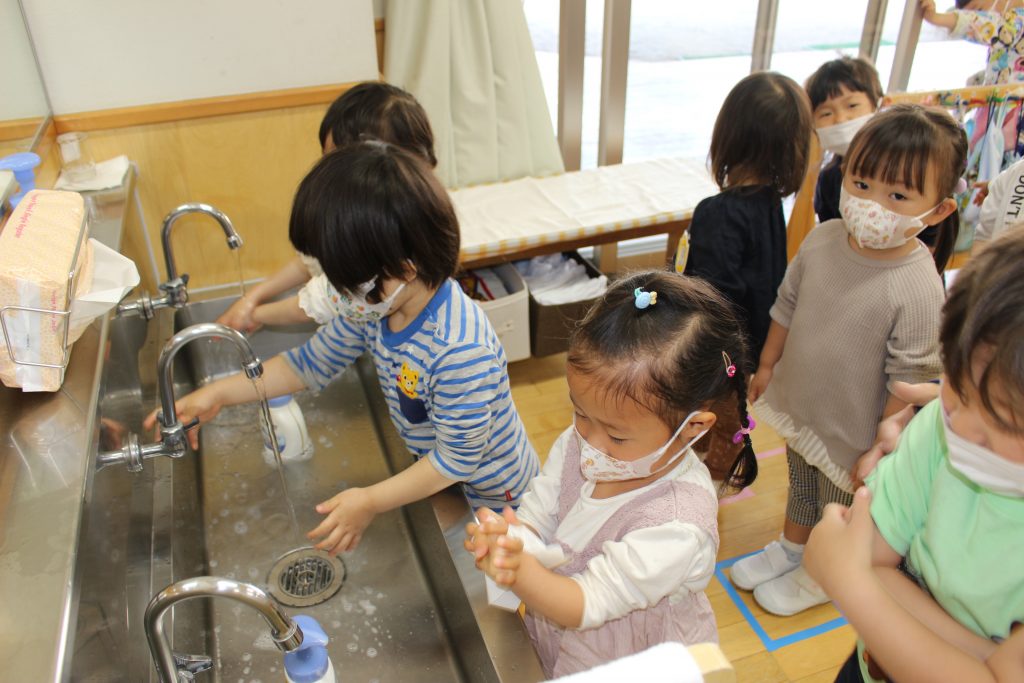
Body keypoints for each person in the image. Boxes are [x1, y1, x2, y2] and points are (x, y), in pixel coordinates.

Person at [146, 141, 539, 554]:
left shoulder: (458, 350)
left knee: (502, 576)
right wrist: (216, 394)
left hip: (498, 499)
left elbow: (455, 461)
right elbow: (306, 365)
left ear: (404, 269)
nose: (338, 295)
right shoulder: (372, 307)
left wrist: (369, 500)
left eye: (347, 282)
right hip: (442, 475)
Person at [464, 272, 758, 678]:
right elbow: (541, 509)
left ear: (692, 426)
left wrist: (520, 572)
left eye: (617, 436)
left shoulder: (677, 524)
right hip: (558, 623)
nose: (591, 442)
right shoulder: (584, 440)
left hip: (625, 656)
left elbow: (587, 602)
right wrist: (514, 538)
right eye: (580, 413)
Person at [734, 104, 965, 616]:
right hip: (804, 405)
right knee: (801, 483)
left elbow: (909, 380)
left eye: (897, 195)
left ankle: (821, 575)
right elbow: (786, 306)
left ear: (938, 211)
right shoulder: (823, 239)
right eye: (861, 183)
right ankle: (792, 548)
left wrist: (881, 447)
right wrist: (767, 365)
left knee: (835, 505)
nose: (871, 204)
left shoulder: (919, 285)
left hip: (854, 431)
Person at [804, 227, 1024, 683]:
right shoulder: (937, 425)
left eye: (997, 426)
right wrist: (982, 658)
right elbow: (872, 557)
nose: (959, 425)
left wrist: (852, 587)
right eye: (956, 388)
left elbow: (863, 571)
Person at [675, 71, 811, 486]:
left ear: (728, 135)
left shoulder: (718, 212)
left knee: (706, 420)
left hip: (714, 354)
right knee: (727, 419)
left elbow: (714, 296)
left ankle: (707, 485)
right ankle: (712, 476)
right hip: (746, 351)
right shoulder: (768, 203)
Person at [216, 81, 438, 332]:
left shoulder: (398, 233)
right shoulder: (358, 215)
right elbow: (310, 263)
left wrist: (254, 314)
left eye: (338, 163)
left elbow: (327, 300)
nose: (329, 175)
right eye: (327, 159)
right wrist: (251, 299)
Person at [805, 56, 883, 224]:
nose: (840, 119)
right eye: (826, 113)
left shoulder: (905, 166)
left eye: (852, 106)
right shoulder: (828, 180)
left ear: (877, 104)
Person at [920, 0, 1024, 85]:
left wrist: (936, 18)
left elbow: (989, 26)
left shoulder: (1015, 21)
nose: (980, 15)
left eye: (979, 10)